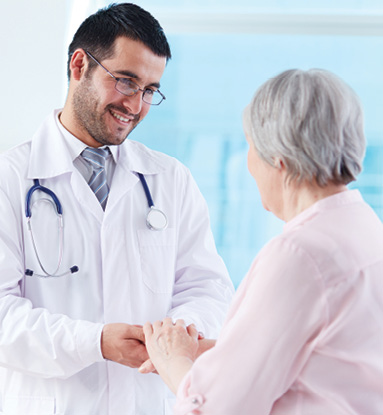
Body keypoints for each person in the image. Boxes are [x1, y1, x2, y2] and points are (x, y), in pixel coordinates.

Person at [0, 3, 234, 414]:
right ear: (78, 66)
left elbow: (208, 288)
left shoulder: (170, 179)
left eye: (149, 90)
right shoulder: (10, 179)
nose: (136, 105)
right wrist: (95, 342)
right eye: (126, 81)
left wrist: (177, 333)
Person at [143, 68, 383, 414]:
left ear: (279, 160)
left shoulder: (299, 255)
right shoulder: (365, 229)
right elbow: (324, 359)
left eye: (250, 146)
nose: (249, 162)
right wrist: (217, 353)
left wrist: (172, 359)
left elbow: (214, 408)